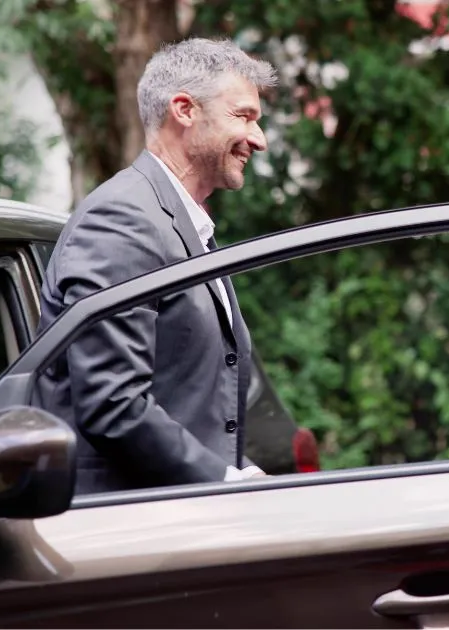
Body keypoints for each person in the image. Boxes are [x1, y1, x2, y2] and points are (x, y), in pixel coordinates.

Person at [35, 38, 278, 494]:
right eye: (243, 116)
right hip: (124, 521)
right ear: (184, 110)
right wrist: (223, 481)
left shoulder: (181, 222)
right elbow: (113, 403)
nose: (258, 139)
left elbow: (184, 401)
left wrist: (238, 471)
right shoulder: (123, 219)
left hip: (175, 512)